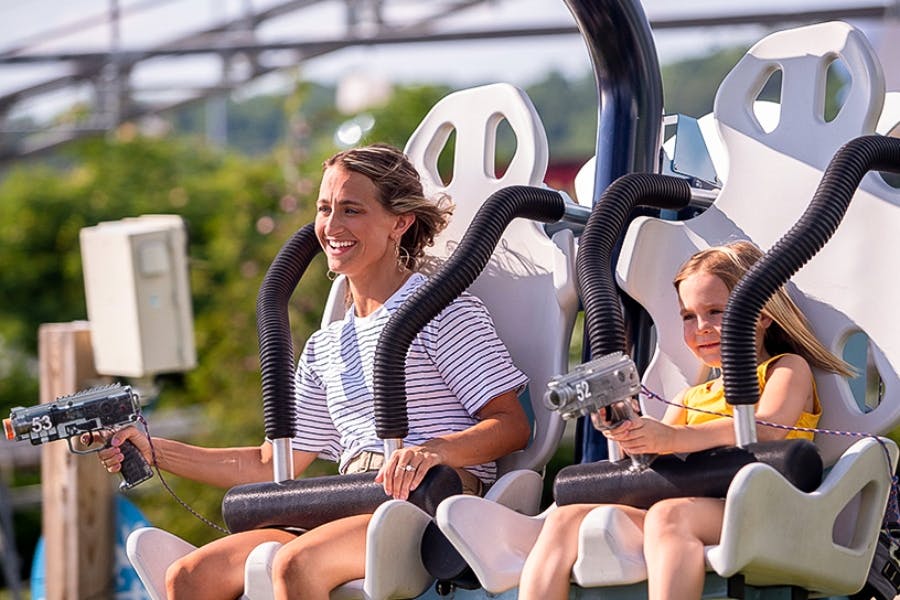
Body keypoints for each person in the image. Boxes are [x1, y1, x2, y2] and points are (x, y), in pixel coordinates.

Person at [97, 143, 532, 600]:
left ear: (399, 222)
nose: (332, 227)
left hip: (431, 502)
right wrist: (152, 450)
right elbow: (269, 465)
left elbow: (512, 425)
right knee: (188, 577)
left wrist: (433, 452)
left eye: (352, 210)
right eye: (325, 209)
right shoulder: (327, 344)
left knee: (295, 565)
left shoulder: (444, 312)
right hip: (352, 500)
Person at [517, 240, 854, 600]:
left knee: (670, 516)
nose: (702, 327)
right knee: (563, 520)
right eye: (689, 316)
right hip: (690, 507)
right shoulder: (690, 397)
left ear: (763, 313)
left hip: (764, 509)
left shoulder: (784, 369)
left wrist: (673, 438)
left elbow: (769, 428)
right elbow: (653, 463)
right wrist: (629, 431)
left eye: (716, 312)